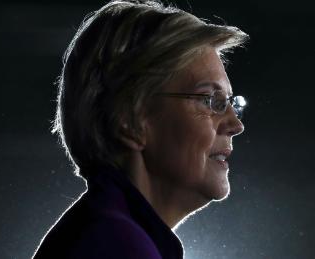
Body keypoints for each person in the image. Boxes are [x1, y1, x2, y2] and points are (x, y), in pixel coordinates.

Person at [33, 0, 248, 258]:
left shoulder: (108, 232)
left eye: (229, 102)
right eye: (209, 100)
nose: (236, 125)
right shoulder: (116, 246)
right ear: (131, 121)